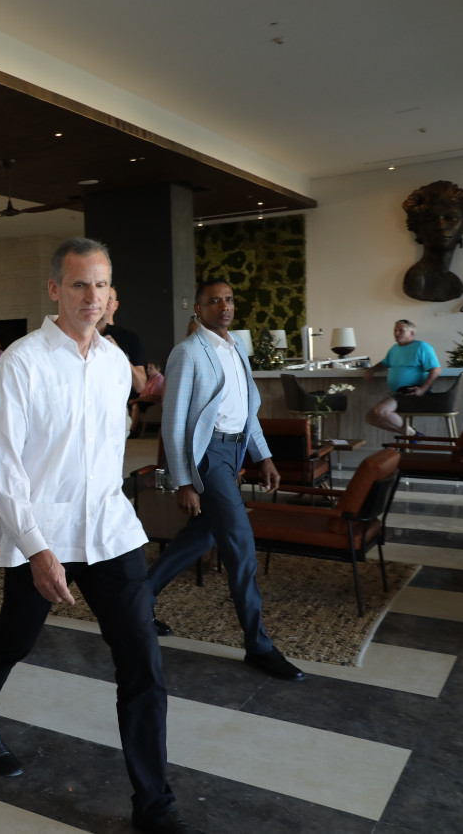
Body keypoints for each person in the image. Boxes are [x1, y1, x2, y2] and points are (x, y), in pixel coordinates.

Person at [0, 238, 200, 834]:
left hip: (111, 532)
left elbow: (109, 451)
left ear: (110, 291)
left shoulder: (116, 363)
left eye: (100, 285)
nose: (91, 296)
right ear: (54, 290)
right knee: (14, 638)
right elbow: (6, 466)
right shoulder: (23, 361)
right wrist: (38, 549)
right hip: (44, 534)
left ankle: (154, 804)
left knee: (142, 662)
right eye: (78, 284)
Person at [150, 278, 298, 684]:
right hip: (208, 455)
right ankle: (258, 646)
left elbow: (248, 412)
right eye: (214, 301)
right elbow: (173, 422)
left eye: (229, 299)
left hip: (234, 452)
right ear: (198, 309)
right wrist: (183, 481)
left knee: (202, 535)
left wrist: (263, 456)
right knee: (241, 547)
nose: (224, 306)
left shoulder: (236, 349)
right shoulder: (187, 352)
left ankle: (139, 600)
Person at [364, 319, 442, 436]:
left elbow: (436, 370)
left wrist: (423, 389)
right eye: (395, 330)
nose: (397, 333)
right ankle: (412, 434)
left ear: (412, 333)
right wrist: (372, 369)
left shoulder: (422, 346)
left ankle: (413, 435)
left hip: (412, 392)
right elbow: (385, 363)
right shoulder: (394, 349)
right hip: (398, 393)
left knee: (382, 410)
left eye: (401, 330)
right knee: (371, 418)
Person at [401, 179, 463, 302]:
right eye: (430, 219)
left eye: (451, 218)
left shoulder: (452, 281)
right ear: (417, 229)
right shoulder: (417, 280)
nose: (441, 226)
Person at [100, 286, 148, 394]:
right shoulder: (80, 337)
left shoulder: (131, 339)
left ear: (116, 305)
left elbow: (140, 385)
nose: (104, 301)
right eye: (101, 297)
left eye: (109, 298)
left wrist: (119, 354)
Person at [128, 361, 166, 437]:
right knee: (129, 405)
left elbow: (153, 397)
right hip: (145, 401)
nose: (148, 370)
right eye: (148, 368)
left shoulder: (159, 379)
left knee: (135, 405)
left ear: (158, 369)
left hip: (154, 403)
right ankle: (130, 428)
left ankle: (132, 431)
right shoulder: (150, 379)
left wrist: (135, 400)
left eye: (151, 368)